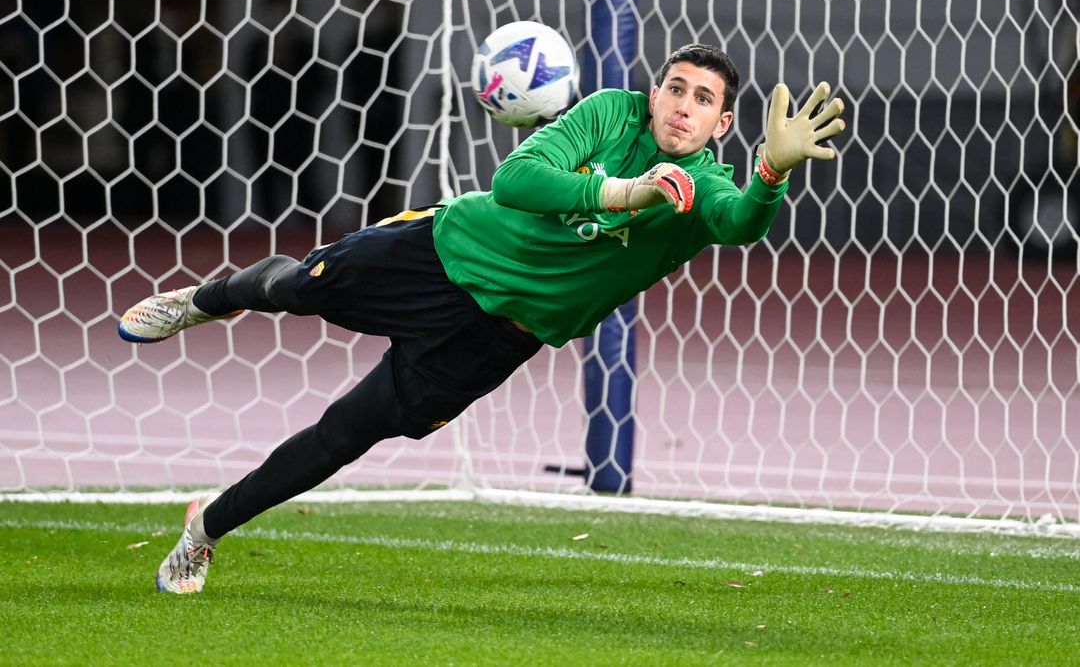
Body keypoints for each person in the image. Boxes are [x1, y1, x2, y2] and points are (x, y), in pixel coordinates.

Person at [117, 43, 846, 594]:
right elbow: (514, 180)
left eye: (703, 99)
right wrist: (625, 192)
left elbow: (741, 222)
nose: (683, 106)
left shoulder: (706, 186)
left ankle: (205, 529)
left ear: (722, 123)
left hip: (495, 337)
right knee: (298, 287)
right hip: (443, 251)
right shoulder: (607, 112)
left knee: (346, 434)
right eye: (675, 89)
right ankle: (200, 302)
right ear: (653, 94)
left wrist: (773, 173)